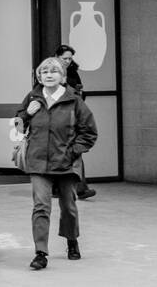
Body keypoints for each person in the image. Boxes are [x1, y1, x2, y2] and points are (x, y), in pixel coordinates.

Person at [13, 56, 97, 270]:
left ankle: (71, 240)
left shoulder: (74, 100)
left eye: (54, 71)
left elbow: (89, 132)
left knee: (68, 206)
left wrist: (73, 151)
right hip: (38, 162)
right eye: (44, 72)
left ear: (62, 76)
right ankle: (40, 253)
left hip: (66, 163)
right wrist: (26, 115)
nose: (49, 75)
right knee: (41, 206)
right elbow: (18, 128)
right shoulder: (32, 97)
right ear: (39, 76)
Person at [55, 44, 95, 199]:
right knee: (61, 152)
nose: (67, 61)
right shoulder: (50, 71)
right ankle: (65, 187)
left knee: (74, 152)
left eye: (70, 58)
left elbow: (78, 94)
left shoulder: (72, 71)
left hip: (72, 115)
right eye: (64, 58)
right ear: (57, 57)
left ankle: (79, 187)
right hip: (59, 117)